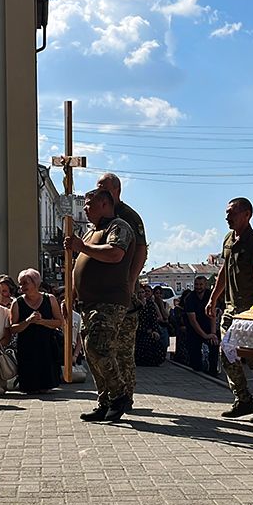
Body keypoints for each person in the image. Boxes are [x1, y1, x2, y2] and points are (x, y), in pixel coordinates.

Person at [207, 198, 253, 423]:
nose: (227, 217)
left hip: (249, 310)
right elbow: (223, 270)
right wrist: (213, 297)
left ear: (247, 214)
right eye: (227, 213)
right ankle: (243, 400)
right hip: (230, 310)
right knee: (226, 355)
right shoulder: (228, 240)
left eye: (232, 213)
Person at [65, 189, 135, 421]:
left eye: (89, 204)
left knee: (98, 346)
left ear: (105, 204)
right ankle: (105, 401)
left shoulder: (118, 227)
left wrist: (81, 247)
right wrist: (71, 296)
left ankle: (119, 395)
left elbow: (115, 254)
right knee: (90, 351)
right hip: (89, 302)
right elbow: (79, 267)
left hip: (110, 300)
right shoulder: (90, 233)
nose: (85, 208)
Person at [96, 172, 148, 409]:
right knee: (103, 346)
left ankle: (125, 396)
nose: (99, 190)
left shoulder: (127, 216)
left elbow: (140, 251)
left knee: (124, 348)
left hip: (124, 292)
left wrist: (131, 282)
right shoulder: (99, 216)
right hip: (104, 293)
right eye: (97, 186)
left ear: (116, 190)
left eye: (103, 186)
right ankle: (108, 396)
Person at [8, 268, 63, 393]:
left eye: (25, 283)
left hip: (47, 346)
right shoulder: (17, 303)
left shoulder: (50, 299)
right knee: (30, 387)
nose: (22, 286)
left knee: (46, 387)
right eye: (20, 283)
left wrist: (42, 321)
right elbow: (12, 328)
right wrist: (28, 321)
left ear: (36, 283)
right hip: (27, 348)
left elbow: (59, 322)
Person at [184, 276, 216, 374]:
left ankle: (213, 371)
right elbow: (193, 320)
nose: (198, 287)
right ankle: (197, 371)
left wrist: (213, 333)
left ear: (205, 285)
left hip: (208, 326)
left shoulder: (210, 296)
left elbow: (213, 315)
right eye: (196, 284)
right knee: (195, 361)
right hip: (194, 330)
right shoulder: (190, 298)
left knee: (214, 345)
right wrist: (204, 335)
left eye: (201, 284)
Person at [134, 283, 166, 367]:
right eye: (139, 292)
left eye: (143, 292)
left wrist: (155, 330)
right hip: (137, 330)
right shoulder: (134, 304)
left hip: (148, 329)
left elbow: (153, 318)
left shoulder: (150, 304)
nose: (141, 294)